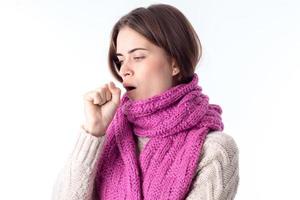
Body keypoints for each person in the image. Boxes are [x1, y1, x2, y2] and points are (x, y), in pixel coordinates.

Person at [52, 3, 239, 200]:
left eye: (138, 56)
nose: (124, 70)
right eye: (120, 60)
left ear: (175, 63)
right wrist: (93, 131)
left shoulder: (214, 150)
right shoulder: (107, 136)